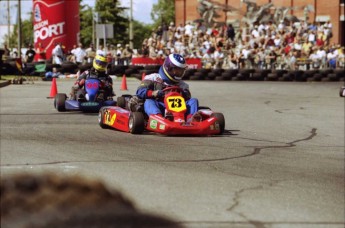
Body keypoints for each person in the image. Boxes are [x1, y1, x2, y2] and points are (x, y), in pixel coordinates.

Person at [135, 53, 200, 122]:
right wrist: (154, 93)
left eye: (181, 70)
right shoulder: (153, 78)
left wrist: (184, 94)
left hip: (179, 109)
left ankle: (190, 119)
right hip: (160, 106)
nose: (179, 73)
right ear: (168, 67)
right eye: (177, 70)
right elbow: (139, 91)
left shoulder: (183, 85)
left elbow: (188, 97)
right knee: (149, 102)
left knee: (193, 101)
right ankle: (158, 119)